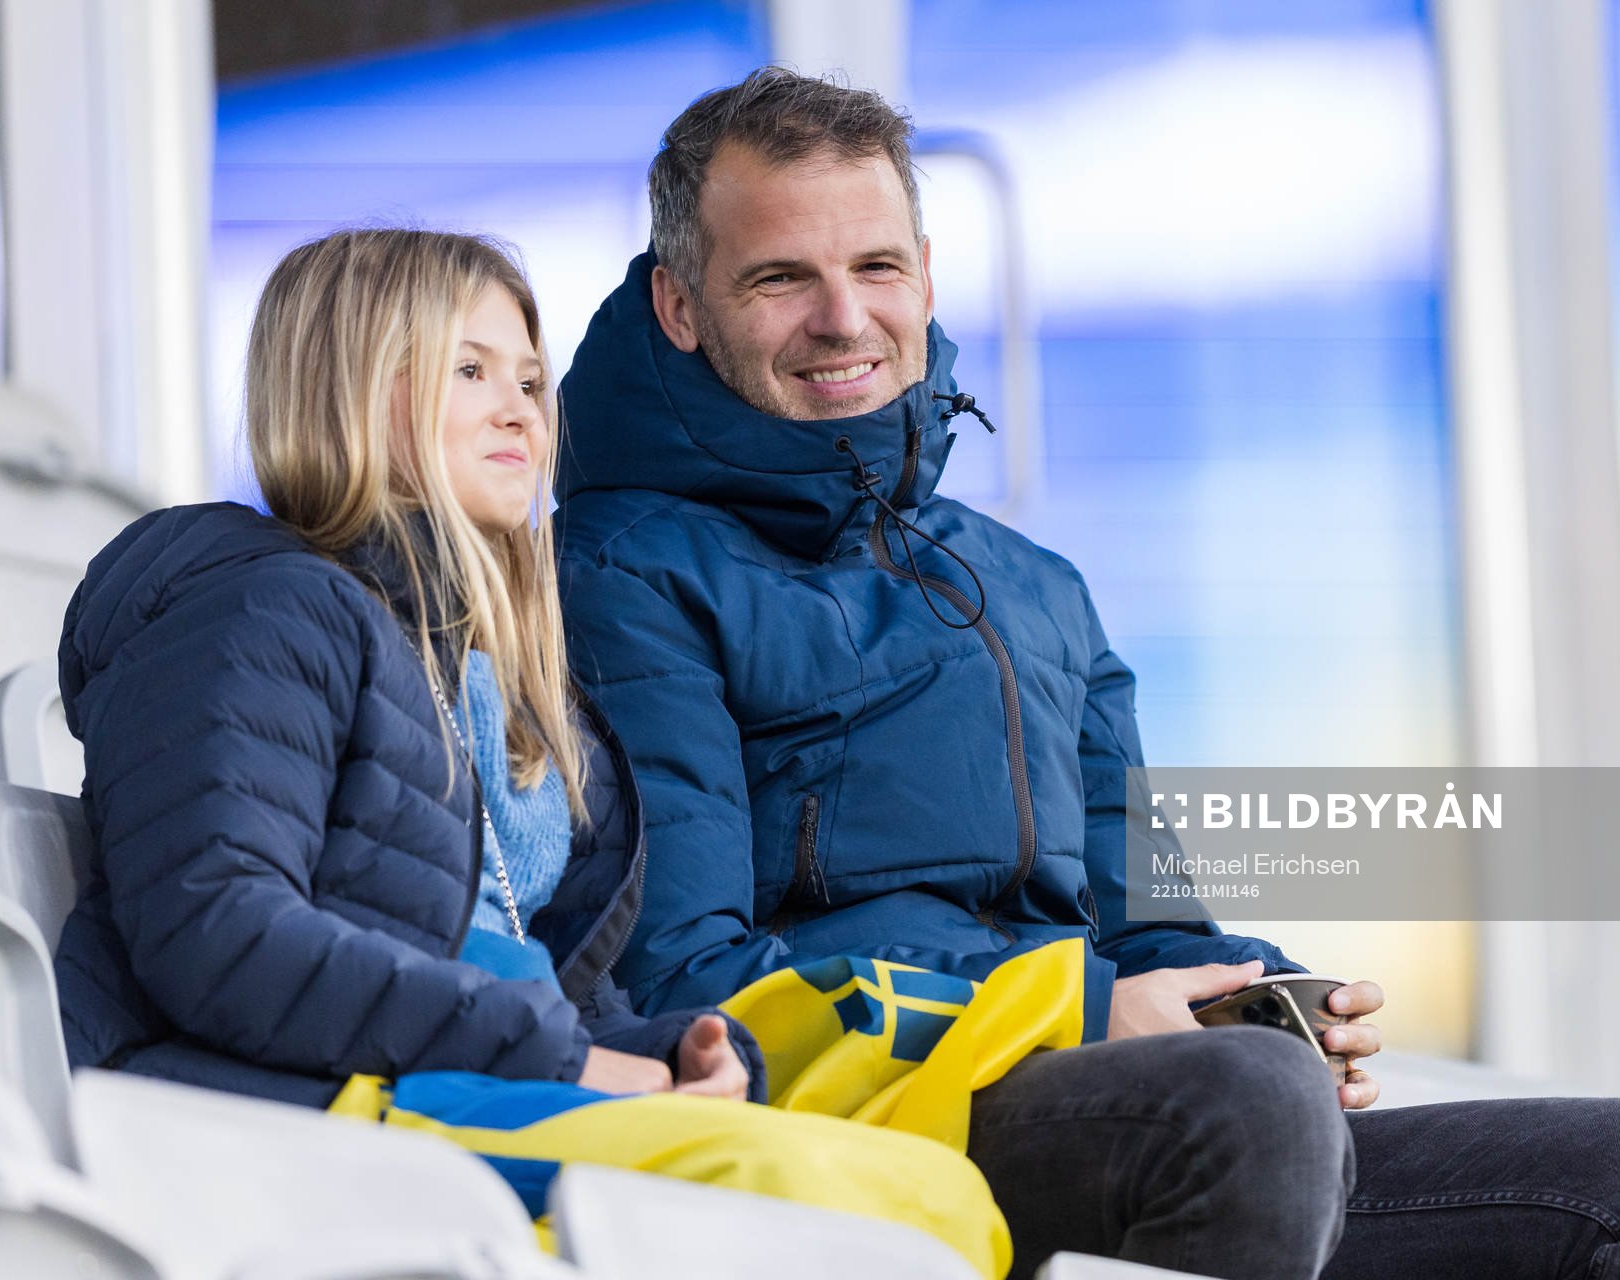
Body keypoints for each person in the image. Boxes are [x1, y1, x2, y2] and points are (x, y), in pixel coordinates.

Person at [554, 69, 1620, 1279]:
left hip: (1154, 1105)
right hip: (876, 1118)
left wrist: (1258, 989)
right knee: (1244, 1101)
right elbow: (682, 978)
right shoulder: (622, 572)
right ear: (678, 305)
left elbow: (1149, 924)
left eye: (875, 268)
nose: (842, 318)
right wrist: (1078, 1009)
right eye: (780, 277)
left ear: (925, 270)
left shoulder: (1029, 584)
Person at [50, 226, 1007, 1275]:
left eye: (531, 377)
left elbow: (537, 969)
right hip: (305, 1109)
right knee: (857, 1199)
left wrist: (665, 1050)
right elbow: (219, 931)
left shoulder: (485, 666)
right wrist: (565, 1055)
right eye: (471, 370)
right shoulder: (264, 609)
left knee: (931, 1188)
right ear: (354, 389)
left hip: (454, 1082)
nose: (521, 408)